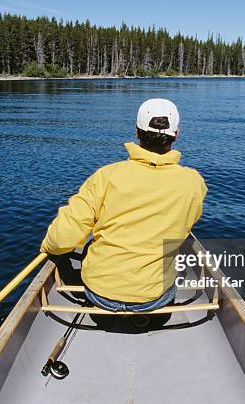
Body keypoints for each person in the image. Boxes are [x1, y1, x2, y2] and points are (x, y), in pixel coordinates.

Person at [40, 98, 207, 312]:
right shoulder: (194, 182)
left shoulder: (106, 176)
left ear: (137, 132)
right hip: (155, 298)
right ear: (176, 134)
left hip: (99, 293)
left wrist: (48, 247)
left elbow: (62, 237)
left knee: (66, 251)